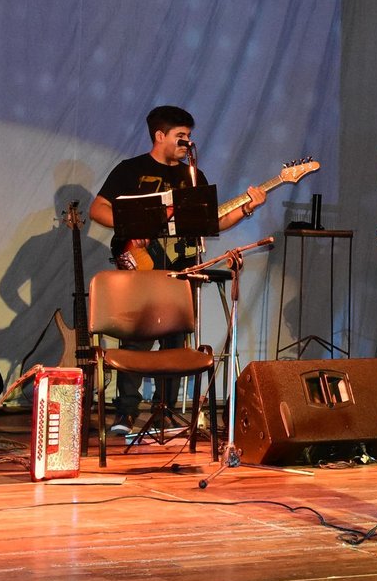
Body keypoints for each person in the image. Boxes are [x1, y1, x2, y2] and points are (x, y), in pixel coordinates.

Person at [88, 104, 266, 436]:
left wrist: (247, 209)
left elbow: (212, 222)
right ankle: (126, 412)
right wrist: (131, 225)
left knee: (175, 342)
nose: (187, 142)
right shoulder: (131, 169)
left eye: (189, 136)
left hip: (180, 270)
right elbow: (97, 209)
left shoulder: (192, 177)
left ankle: (165, 411)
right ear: (160, 135)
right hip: (140, 267)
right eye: (180, 136)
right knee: (135, 340)